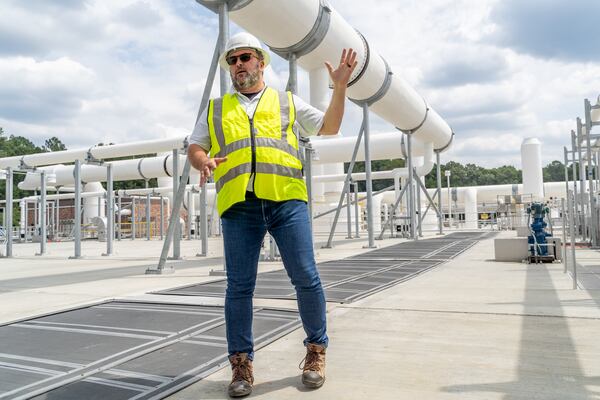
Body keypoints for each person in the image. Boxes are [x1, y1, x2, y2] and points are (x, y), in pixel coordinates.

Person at [188, 31, 357, 398]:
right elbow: (195, 145)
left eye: (244, 57)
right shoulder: (216, 109)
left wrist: (339, 87)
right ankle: (241, 364)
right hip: (239, 206)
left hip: (286, 202)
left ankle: (316, 351)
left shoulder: (287, 103)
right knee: (239, 287)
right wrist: (203, 161)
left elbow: (330, 127)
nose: (238, 65)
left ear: (261, 62)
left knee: (306, 277)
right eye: (232, 60)